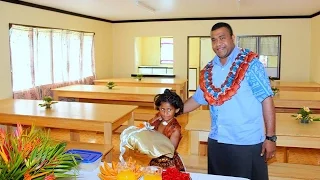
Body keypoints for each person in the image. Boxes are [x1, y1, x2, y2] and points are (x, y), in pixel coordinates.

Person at [183, 22, 276, 180]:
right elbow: (197, 99)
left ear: (233, 38)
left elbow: (267, 99)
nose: (218, 43)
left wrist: (271, 137)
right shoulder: (209, 69)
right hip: (217, 141)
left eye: (222, 38)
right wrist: (171, 111)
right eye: (213, 40)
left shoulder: (250, 64)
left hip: (246, 143)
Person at [148, 89, 186, 171]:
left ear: (176, 110)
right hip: (156, 159)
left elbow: (170, 150)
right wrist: (153, 121)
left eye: (169, 110)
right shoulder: (158, 119)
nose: (165, 113)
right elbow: (148, 129)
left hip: (168, 163)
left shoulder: (175, 129)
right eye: (162, 109)